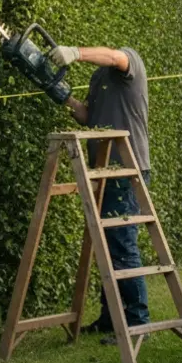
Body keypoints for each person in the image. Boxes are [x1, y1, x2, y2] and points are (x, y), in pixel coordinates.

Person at [50, 44, 151, 343]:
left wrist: (75, 52)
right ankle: (111, 318)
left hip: (126, 169)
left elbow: (114, 56)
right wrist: (64, 98)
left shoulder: (129, 63)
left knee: (122, 245)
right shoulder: (98, 79)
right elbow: (88, 117)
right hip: (103, 168)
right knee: (107, 251)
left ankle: (136, 324)